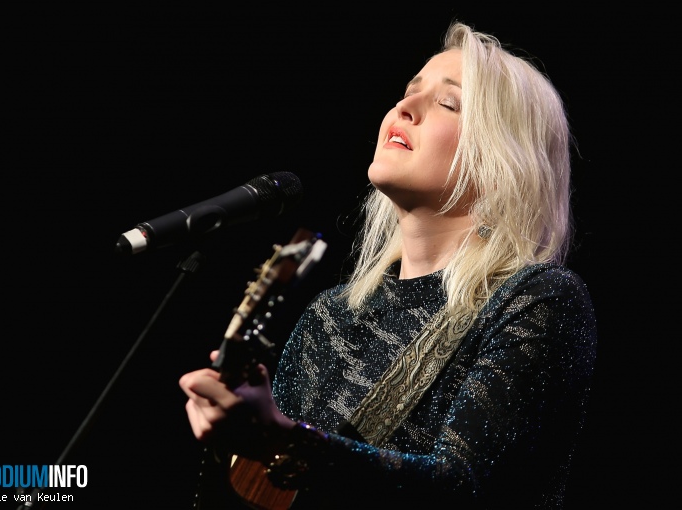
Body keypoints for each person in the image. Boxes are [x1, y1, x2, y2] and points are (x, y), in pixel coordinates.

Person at [179, 20, 597, 509]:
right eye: (409, 91)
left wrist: (280, 438)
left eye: (448, 102)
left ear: (502, 161)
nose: (405, 107)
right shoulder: (330, 316)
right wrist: (232, 441)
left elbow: (460, 490)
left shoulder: (537, 299)